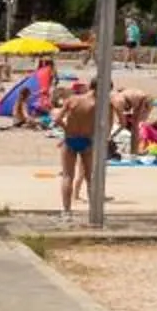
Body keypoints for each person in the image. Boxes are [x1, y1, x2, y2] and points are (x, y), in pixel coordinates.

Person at [55, 82, 96, 214]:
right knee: (90, 177)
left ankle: (67, 211)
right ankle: (93, 210)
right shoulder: (96, 103)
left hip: (70, 139)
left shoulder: (72, 100)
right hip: (86, 139)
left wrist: (67, 129)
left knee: (67, 176)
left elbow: (57, 119)